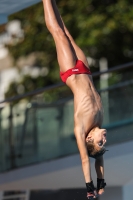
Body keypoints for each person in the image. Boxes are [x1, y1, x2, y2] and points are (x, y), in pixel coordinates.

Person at [42, 0, 107, 199]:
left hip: (70, 71)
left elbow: (86, 159)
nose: (104, 138)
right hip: (85, 69)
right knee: (68, 32)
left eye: (101, 142)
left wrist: (89, 186)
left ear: (89, 139)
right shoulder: (98, 122)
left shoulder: (81, 129)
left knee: (58, 34)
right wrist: (101, 181)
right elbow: (98, 159)